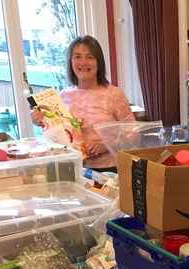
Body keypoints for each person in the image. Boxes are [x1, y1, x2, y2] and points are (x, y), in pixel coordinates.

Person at [32, 35, 135, 171]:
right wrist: (41, 121)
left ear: (99, 62)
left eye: (90, 57)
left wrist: (107, 145)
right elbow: (58, 135)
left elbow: (134, 134)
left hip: (111, 171)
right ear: (71, 61)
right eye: (77, 57)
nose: (83, 62)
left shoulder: (113, 94)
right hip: (74, 169)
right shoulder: (63, 96)